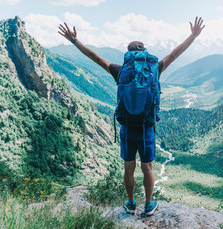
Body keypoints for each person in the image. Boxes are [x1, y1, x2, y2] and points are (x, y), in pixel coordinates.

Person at [58, 17, 205, 216]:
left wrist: (75, 41)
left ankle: (130, 203)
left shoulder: (121, 71)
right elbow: (175, 53)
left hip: (127, 126)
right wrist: (193, 36)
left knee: (129, 168)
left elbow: (95, 57)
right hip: (146, 127)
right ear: (144, 52)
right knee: (148, 167)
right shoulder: (154, 68)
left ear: (128, 54)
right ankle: (149, 204)